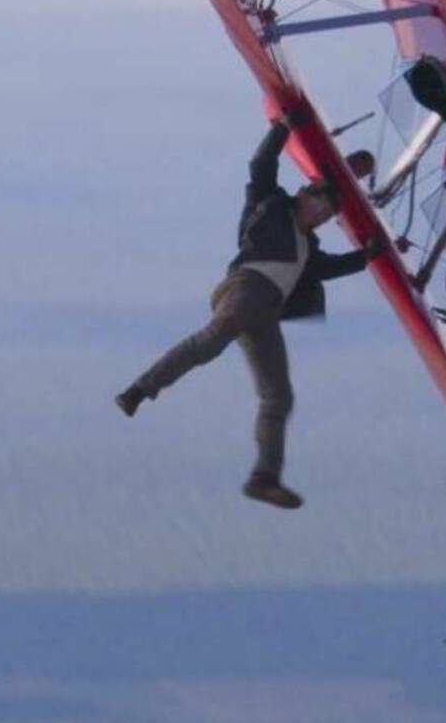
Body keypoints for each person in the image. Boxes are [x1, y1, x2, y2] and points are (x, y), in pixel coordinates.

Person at [115, 110, 382, 509]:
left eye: (328, 215)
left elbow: (329, 269)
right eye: (320, 205)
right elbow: (261, 165)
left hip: (267, 311)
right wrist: (282, 127)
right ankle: (138, 390)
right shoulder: (271, 205)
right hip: (245, 287)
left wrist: (369, 256)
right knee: (211, 342)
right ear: (304, 195)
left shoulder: (308, 248)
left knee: (278, 396)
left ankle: (264, 477)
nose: (323, 215)